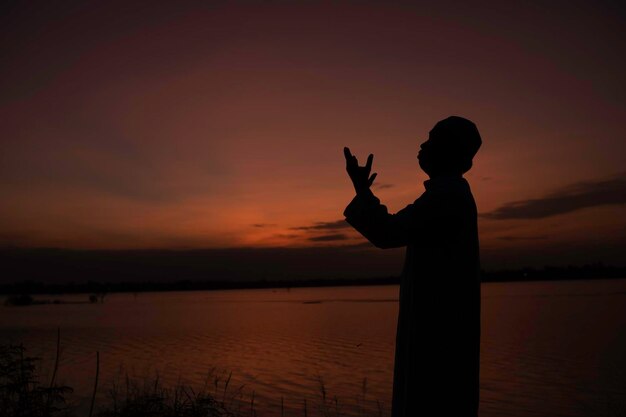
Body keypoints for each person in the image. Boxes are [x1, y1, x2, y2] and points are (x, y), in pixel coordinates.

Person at [343, 116, 482, 417]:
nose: (422, 144)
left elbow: (387, 232)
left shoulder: (447, 196)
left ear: (450, 149)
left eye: (431, 139)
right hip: (441, 333)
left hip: (438, 340)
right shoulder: (446, 194)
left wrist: (361, 191)